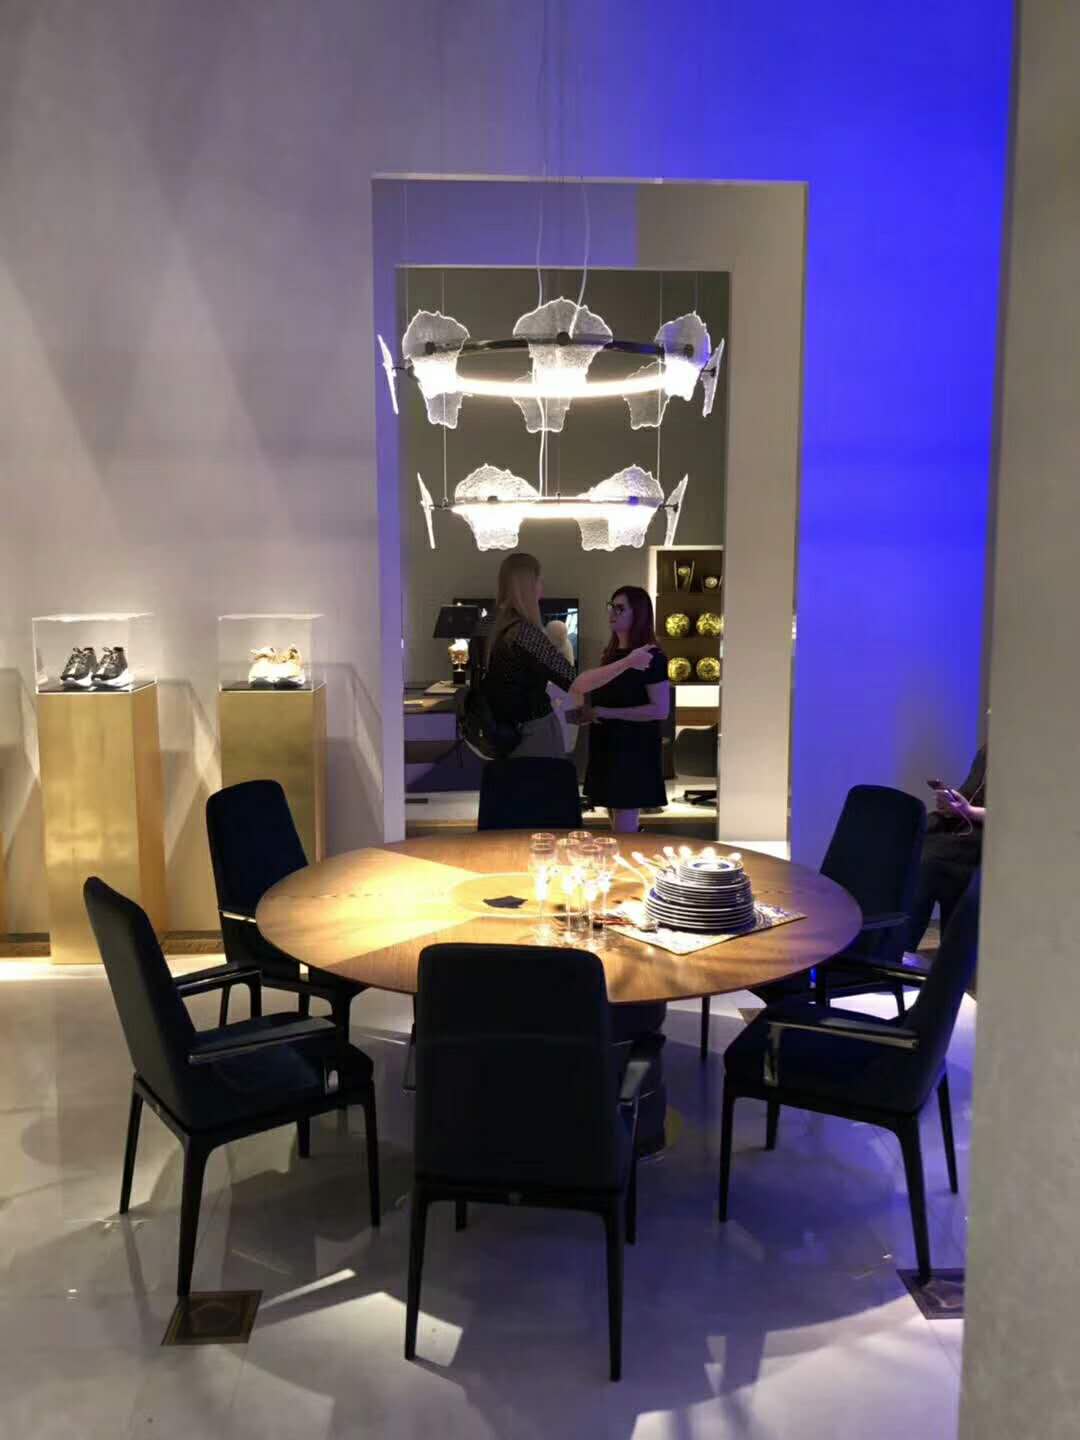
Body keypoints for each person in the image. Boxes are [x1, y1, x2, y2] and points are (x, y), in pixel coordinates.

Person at [483, 553, 654, 759]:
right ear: (528, 586)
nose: (541, 586)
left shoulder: (490, 625)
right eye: (538, 580)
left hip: (499, 732)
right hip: (530, 733)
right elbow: (576, 682)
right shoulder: (525, 633)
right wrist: (628, 662)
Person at [576, 587, 670, 833]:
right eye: (611, 606)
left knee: (624, 817)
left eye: (620, 608)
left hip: (632, 746)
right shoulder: (610, 655)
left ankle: (627, 853)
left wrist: (606, 712)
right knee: (613, 811)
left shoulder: (651, 656)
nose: (612, 613)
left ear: (638, 614)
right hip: (607, 742)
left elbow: (660, 709)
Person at [906, 745, 987, 951]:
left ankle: (901, 948)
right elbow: (969, 795)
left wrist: (969, 811)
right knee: (913, 838)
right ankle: (893, 947)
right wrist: (952, 804)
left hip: (984, 834)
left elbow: (1015, 813)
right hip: (963, 825)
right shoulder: (986, 752)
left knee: (929, 861)